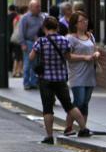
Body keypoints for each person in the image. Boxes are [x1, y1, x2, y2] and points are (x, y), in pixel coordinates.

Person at [29, 16, 87, 144]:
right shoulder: (64, 40)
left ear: (44, 28)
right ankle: (84, 128)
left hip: (45, 79)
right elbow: (67, 56)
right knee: (69, 105)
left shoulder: (41, 41)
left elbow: (31, 57)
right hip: (60, 78)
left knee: (47, 108)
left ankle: (49, 136)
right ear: (57, 27)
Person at [65, 11, 101, 137]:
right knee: (78, 101)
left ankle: (82, 129)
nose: (85, 23)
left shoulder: (90, 36)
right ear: (75, 24)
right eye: (82, 21)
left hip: (89, 74)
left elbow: (95, 49)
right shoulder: (70, 38)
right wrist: (84, 57)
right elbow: (68, 56)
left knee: (85, 102)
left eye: (86, 20)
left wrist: (96, 54)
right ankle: (69, 127)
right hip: (77, 74)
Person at [17, 0, 45, 90]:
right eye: (37, 7)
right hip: (28, 43)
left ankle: (33, 82)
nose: (39, 8)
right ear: (31, 8)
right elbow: (21, 31)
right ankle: (26, 83)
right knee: (28, 63)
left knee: (35, 64)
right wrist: (23, 43)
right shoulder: (25, 18)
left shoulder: (42, 17)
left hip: (39, 43)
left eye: (39, 6)